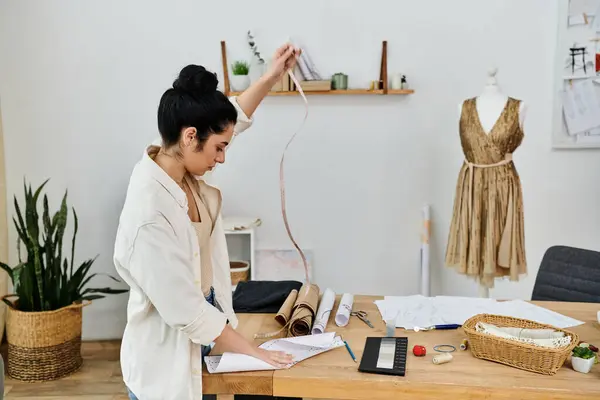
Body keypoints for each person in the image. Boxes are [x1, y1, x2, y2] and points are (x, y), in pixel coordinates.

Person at [113, 43, 300, 400]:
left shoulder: (177, 152)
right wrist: (254, 352)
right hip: (164, 370)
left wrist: (272, 76)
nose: (223, 157)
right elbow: (188, 313)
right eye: (220, 147)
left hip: (205, 341)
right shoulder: (149, 214)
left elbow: (233, 116)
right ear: (189, 137)